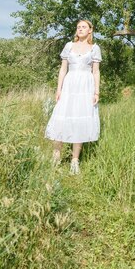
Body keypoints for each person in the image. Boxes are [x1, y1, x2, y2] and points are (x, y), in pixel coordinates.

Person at [45, 19, 101, 174]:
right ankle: (55, 156)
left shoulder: (94, 48)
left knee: (79, 121)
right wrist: (59, 89)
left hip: (85, 87)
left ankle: (74, 160)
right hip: (69, 86)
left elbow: (96, 71)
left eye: (84, 27)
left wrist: (96, 91)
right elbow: (63, 70)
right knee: (61, 119)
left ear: (90, 30)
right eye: (78, 27)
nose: (80, 29)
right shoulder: (69, 46)